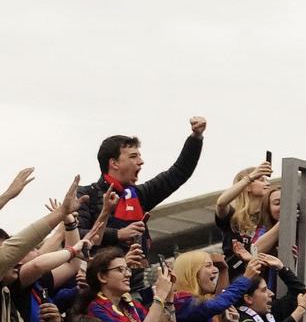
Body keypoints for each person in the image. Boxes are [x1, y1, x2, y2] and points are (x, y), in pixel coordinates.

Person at [73, 117, 207, 279]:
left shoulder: (138, 194)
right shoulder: (87, 195)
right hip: (96, 283)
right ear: (114, 163)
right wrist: (118, 234)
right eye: (133, 156)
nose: (141, 162)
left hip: (136, 281)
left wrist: (196, 138)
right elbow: (75, 234)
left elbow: (178, 173)